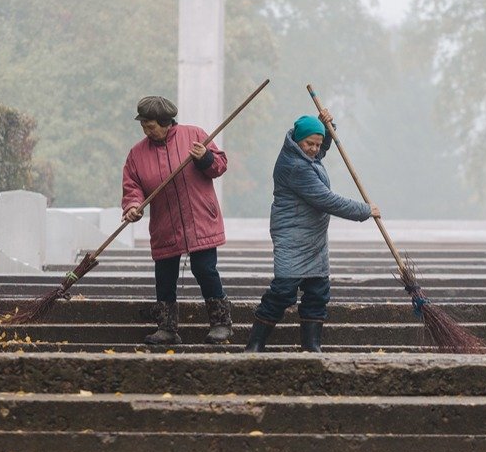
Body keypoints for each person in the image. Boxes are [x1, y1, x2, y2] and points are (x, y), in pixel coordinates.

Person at [243, 109, 380, 352]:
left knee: (318, 292)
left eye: (318, 144)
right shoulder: (294, 166)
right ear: (298, 140)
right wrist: (365, 210)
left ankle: (311, 346)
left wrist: (327, 127)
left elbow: (321, 149)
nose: (315, 149)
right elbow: (327, 200)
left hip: (314, 239)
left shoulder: (306, 156)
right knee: (284, 291)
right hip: (292, 236)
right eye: (310, 143)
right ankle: (255, 344)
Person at [122, 95, 233, 345]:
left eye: (150, 126)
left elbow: (219, 166)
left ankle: (221, 323)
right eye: (143, 126)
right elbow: (132, 186)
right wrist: (133, 205)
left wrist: (205, 157)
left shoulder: (194, 135)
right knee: (165, 275)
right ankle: (167, 328)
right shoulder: (137, 154)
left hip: (200, 219)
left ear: (166, 122)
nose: (146, 131)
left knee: (204, 269)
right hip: (164, 224)